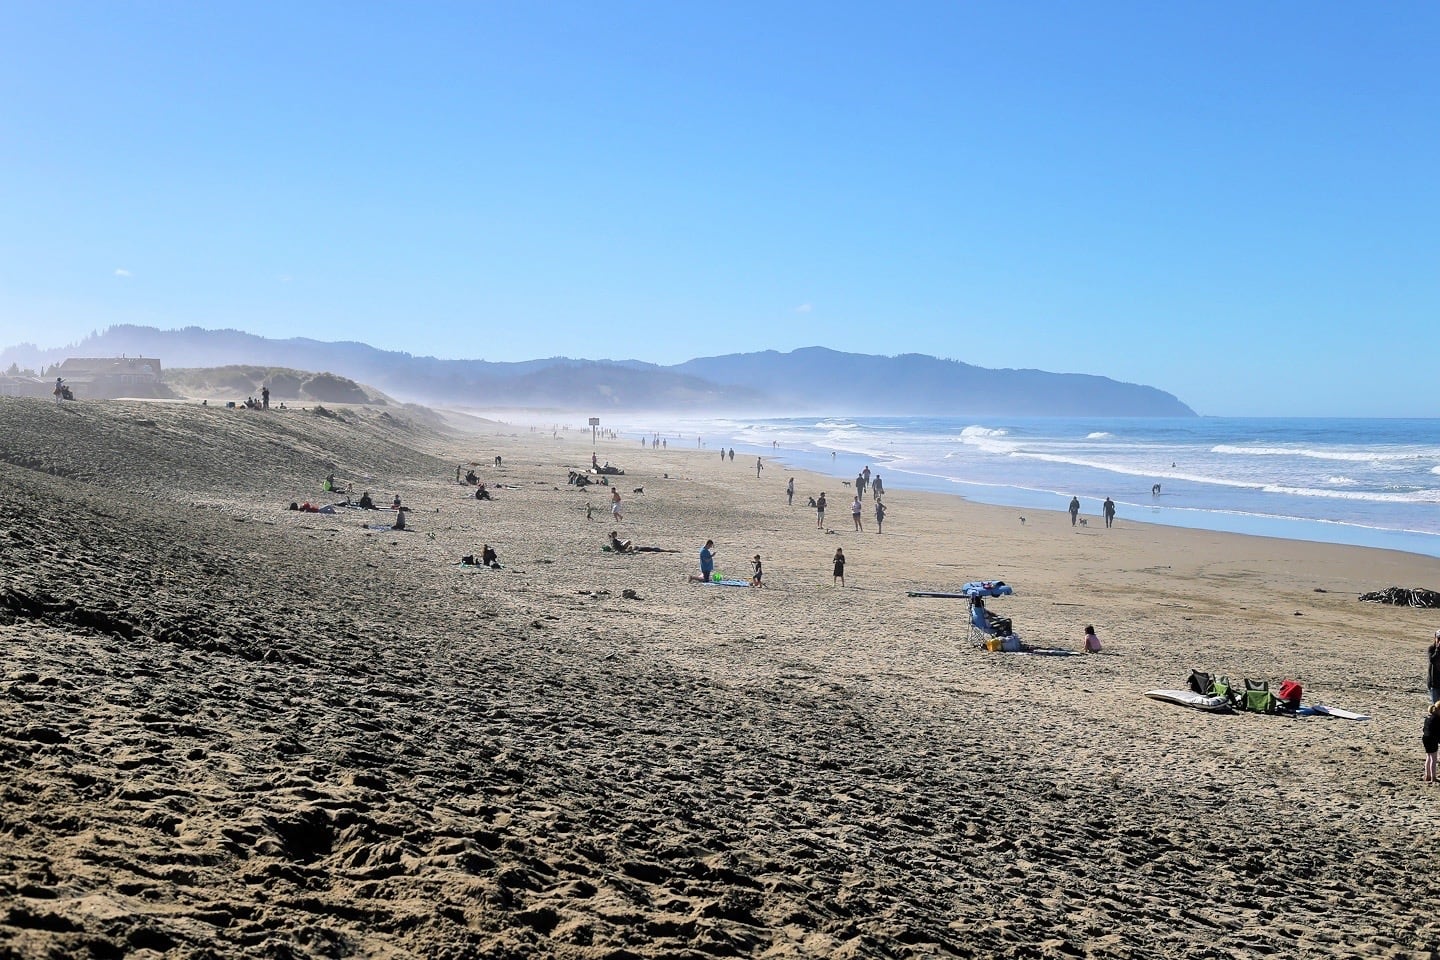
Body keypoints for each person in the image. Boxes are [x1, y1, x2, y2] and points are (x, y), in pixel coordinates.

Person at [1425, 701, 1440, 784]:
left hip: (1425, 738)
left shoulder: (1428, 717)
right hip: (1432, 739)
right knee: (1434, 759)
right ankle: (1433, 777)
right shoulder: (1437, 719)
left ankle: (1427, 775)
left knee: (1428, 757)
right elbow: (1437, 732)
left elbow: (1424, 729)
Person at [1427, 630, 1440, 703]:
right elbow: (1432, 660)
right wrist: (1438, 650)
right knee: (1435, 706)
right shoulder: (1432, 649)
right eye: (1439, 639)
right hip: (1434, 684)